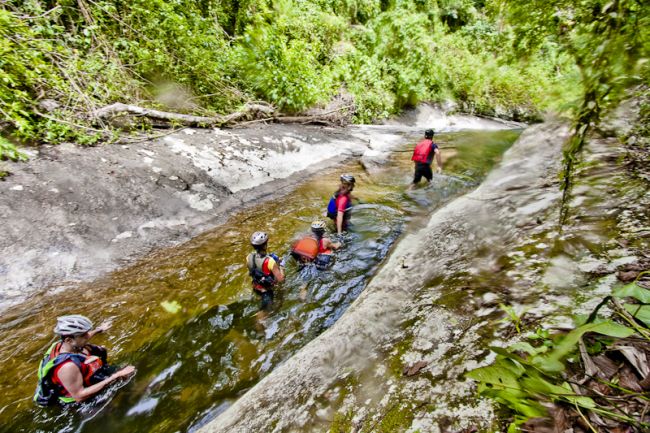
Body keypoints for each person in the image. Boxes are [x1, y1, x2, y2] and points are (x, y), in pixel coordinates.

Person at [34, 315, 135, 406]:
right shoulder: (68, 367)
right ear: (69, 340)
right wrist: (115, 376)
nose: (87, 336)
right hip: (83, 402)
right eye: (83, 335)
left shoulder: (65, 344)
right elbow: (79, 396)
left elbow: (82, 337)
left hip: (87, 377)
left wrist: (99, 330)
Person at [246, 231, 285, 310]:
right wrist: (281, 266)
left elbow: (251, 271)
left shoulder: (249, 257)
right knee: (265, 312)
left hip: (255, 286)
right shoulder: (270, 261)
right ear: (264, 246)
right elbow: (281, 279)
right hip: (266, 290)